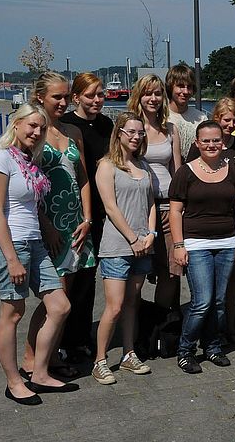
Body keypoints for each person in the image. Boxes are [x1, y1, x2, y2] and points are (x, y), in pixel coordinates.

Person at [0, 104, 77, 405]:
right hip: (12, 244)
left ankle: (38, 372)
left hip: (36, 242)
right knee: (12, 313)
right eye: (31, 126)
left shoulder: (27, 159)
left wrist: (47, 225)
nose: (36, 132)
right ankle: (13, 382)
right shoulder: (1, 158)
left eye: (41, 128)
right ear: (17, 124)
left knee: (60, 305)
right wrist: (11, 258)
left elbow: (30, 204)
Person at [24, 72, 95, 381]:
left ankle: (51, 356)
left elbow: (83, 179)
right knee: (56, 298)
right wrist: (46, 225)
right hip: (48, 226)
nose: (64, 102)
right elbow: (27, 184)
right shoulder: (33, 134)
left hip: (74, 225)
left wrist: (87, 218)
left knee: (66, 296)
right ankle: (31, 357)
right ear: (40, 97)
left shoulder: (71, 131)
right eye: (58, 97)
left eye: (67, 97)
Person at [170, 121, 235, 373]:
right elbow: (175, 211)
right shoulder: (186, 172)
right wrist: (179, 244)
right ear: (197, 143)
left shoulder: (233, 172)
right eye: (206, 141)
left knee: (218, 301)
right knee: (201, 302)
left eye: (216, 140)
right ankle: (186, 349)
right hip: (196, 244)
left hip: (227, 243)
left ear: (223, 143)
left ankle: (213, 347)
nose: (212, 145)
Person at [93, 112, 156, 385]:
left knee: (133, 303)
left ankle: (129, 353)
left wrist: (151, 234)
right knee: (115, 306)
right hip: (118, 246)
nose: (136, 137)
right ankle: (100, 360)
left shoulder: (143, 166)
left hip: (143, 245)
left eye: (140, 132)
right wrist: (132, 238)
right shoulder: (107, 166)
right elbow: (110, 207)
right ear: (118, 132)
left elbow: (152, 203)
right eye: (130, 131)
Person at [186, 98, 235, 344]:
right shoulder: (203, 146)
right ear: (217, 118)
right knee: (205, 287)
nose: (231, 124)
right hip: (206, 224)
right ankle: (203, 332)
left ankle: (229, 325)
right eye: (227, 119)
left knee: (232, 277)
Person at [60, 73, 114, 363]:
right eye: (91, 95)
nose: (97, 100)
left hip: (104, 210)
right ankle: (64, 339)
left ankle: (81, 337)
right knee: (73, 278)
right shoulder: (69, 125)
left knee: (89, 280)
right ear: (76, 97)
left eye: (101, 94)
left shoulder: (107, 124)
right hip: (78, 213)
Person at [128, 74, 183, 311]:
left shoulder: (170, 129)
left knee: (171, 270)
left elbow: (177, 171)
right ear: (138, 96)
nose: (153, 98)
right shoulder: (131, 129)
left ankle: (161, 324)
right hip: (139, 209)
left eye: (158, 93)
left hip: (167, 206)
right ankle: (136, 324)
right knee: (136, 273)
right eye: (147, 93)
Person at [166, 64, 207, 160]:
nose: (185, 91)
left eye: (189, 87)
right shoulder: (161, 117)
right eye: (180, 86)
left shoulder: (201, 118)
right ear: (170, 87)